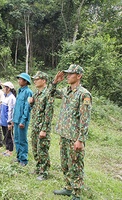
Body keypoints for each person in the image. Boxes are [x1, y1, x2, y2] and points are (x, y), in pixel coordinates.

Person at [51, 64, 92, 200]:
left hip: (75, 137)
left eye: (71, 74)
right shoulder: (66, 91)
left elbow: (85, 119)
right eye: (67, 73)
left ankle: (77, 193)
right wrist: (55, 82)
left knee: (76, 165)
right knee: (65, 163)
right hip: (64, 134)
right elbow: (51, 93)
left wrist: (80, 139)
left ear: (78, 76)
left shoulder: (84, 94)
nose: (67, 76)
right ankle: (68, 187)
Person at [28, 71, 54, 181]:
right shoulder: (36, 93)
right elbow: (35, 109)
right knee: (35, 148)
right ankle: (38, 168)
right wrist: (31, 102)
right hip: (35, 126)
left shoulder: (48, 94)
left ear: (43, 81)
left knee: (42, 149)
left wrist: (44, 130)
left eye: (37, 79)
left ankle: (45, 171)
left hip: (42, 128)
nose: (34, 81)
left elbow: (48, 114)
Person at [12, 73, 33, 166]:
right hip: (16, 119)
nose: (19, 81)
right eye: (19, 79)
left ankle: (24, 159)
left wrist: (23, 120)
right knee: (16, 139)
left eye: (21, 79)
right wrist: (13, 118)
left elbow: (27, 108)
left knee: (22, 140)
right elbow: (17, 107)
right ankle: (19, 157)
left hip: (22, 120)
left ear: (25, 81)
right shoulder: (19, 91)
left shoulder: (28, 92)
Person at [0, 82, 16, 156]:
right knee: (5, 134)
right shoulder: (5, 96)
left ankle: (10, 151)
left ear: (8, 89)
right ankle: (7, 149)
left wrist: (10, 122)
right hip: (3, 120)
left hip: (7, 120)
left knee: (9, 135)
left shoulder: (11, 98)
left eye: (4, 87)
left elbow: (11, 111)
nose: (3, 89)